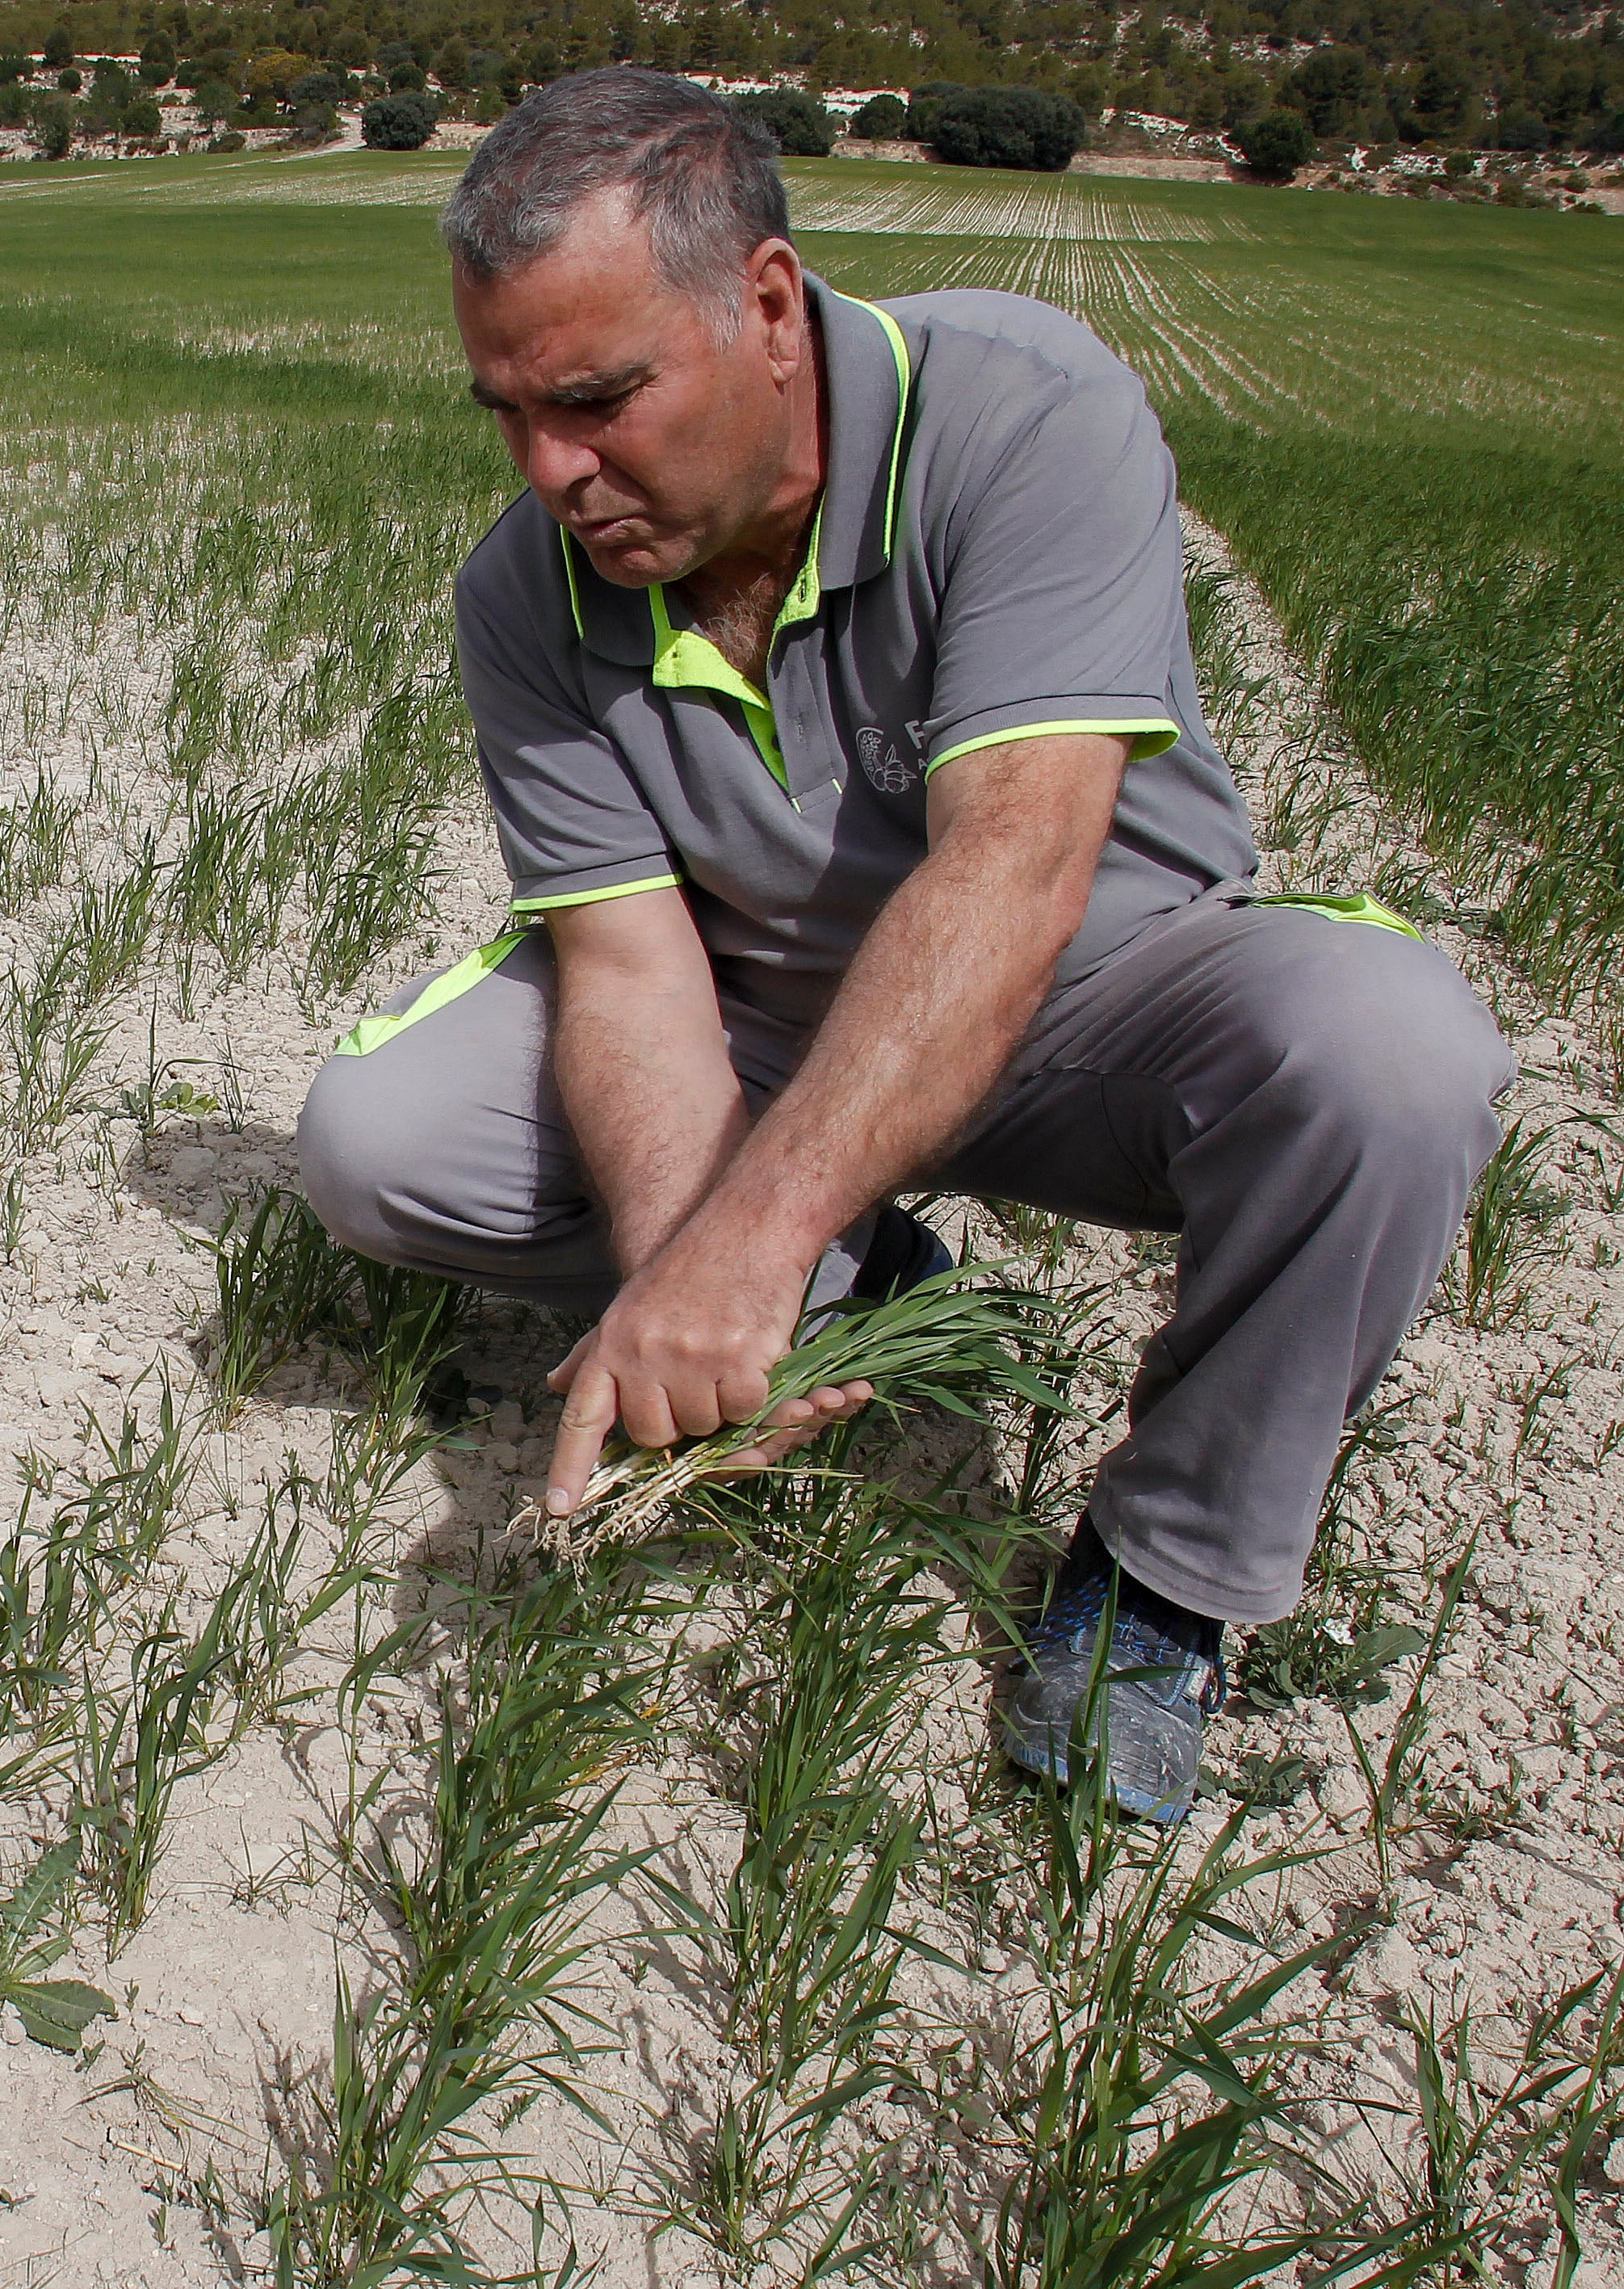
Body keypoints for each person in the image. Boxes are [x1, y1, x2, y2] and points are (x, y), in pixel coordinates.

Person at [296, 67, 1513, 1822]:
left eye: (595, 398)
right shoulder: (523, 592)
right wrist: (687, 1259)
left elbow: (1011, 868)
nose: (547, 469)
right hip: (765, 1031)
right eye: (503, 409)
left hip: (1093, 1001)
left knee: (1391, 1056)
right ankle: (872, 1304)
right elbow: (634, 975)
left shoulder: (1018, 417)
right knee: (377, 1137)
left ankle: (1160, 1575)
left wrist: (751, 1235)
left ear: (767, 307)